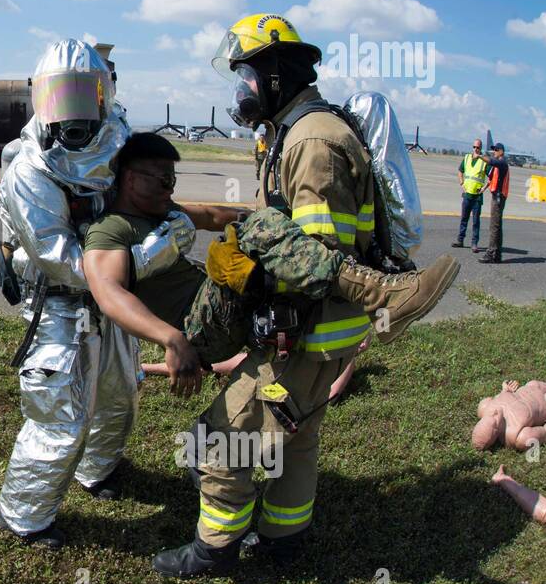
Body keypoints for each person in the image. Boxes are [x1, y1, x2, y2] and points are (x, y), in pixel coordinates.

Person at [151, 13, 448, 577]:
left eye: (247, 78)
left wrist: (247, 276)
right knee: (297, 439)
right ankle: (285, 539)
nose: (240, 92)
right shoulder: (296, 129)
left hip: (301, 331)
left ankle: (213, 550)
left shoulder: (312, 141)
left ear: (278, 77)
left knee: (220, 441)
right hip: (323, 332)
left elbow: (315, 254)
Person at [83, 133, 458, 396]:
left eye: (174, 179)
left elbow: (215, 214)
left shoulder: (165, 210)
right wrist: (172, 340)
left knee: (265, 229)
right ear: (131, 179)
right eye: (164, 180)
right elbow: (108, 294)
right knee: (260, 230)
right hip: (198, 331)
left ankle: (379, 303)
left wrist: (272, 217)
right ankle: (382, 295)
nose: (171, 189)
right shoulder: (112, 229)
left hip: (228, 312)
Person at [0, 39, 141, 547]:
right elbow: (59, 258)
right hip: (61, 303)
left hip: (113, 300)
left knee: (121, 392)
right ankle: (24, 516)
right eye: (61, 97)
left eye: (84, 95)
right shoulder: (30, 167)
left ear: (105, 95)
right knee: (59, 415)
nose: (72, 112)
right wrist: (148, 258)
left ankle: (98, 470)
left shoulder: (121, 145)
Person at [453, 138, 489, 251]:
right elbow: (460, 171)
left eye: (478, 147)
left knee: (476, 221)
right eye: (474, 147)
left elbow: (492, 177)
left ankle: (474, 243)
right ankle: (460, 240)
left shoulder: (484, 161)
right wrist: (461, 183)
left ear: (481, 148)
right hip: (467, 194)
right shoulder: (467, 158)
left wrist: (484, 188)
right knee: (464, 218)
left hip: (477, 196)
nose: (476, 149)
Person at [481, 142, 510, 263]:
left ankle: (491, 253)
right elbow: (491, 177)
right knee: (497, 227)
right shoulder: (498, 165)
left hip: (498, 198)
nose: (494, 152)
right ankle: (497, 255)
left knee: (494, 226)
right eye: (494, 150)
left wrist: (479, 156)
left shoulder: (502, 163)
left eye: (496, 150)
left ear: (501, 151)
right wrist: (484, 188)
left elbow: (492, 161)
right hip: (497, 197)